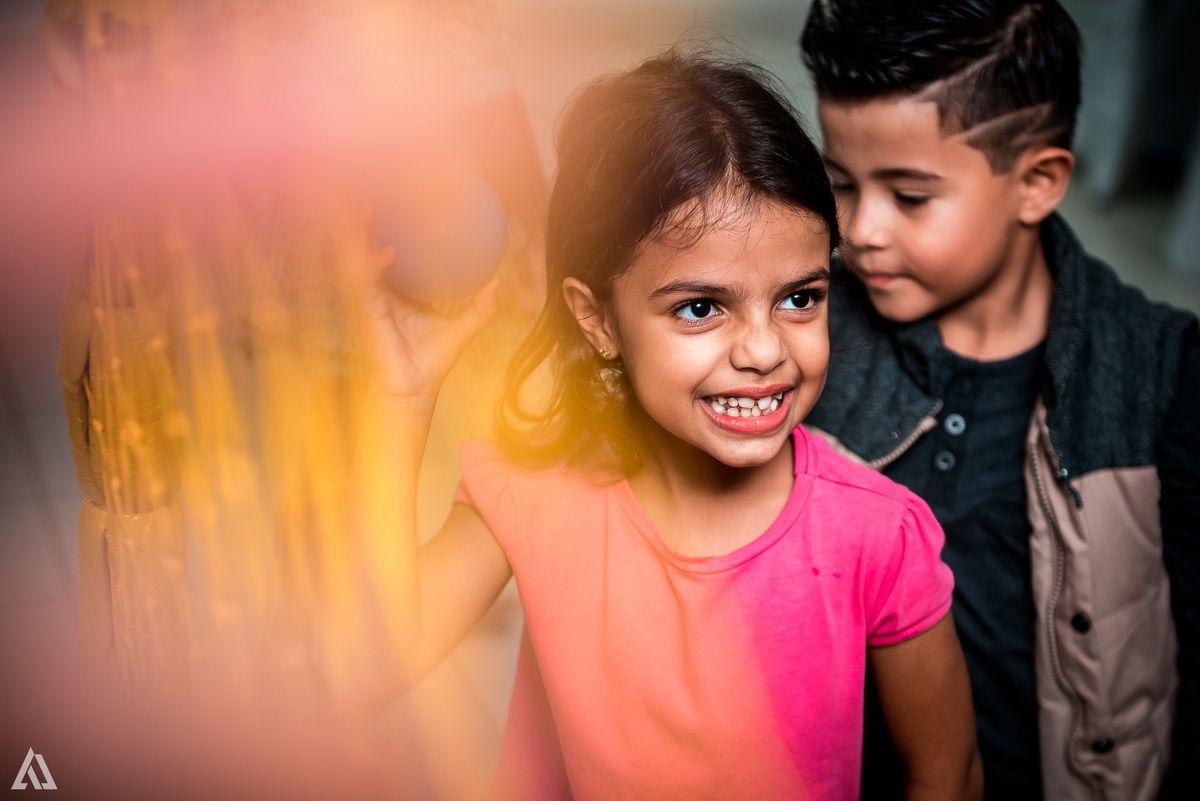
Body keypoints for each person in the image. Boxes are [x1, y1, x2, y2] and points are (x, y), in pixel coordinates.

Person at [359, 49, 983, 800]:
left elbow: (947, 772)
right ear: (598, 319)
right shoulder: (532, 493)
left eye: (799, 297)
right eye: (700, 307)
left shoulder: (877, 534)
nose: (764, 350)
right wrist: (402, 400)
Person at [798, 2, 1200, 800]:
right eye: (840, 182)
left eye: (910, 196)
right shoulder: (803, 335)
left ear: (1038, 183)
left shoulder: (1160, 375)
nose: (857, 229)